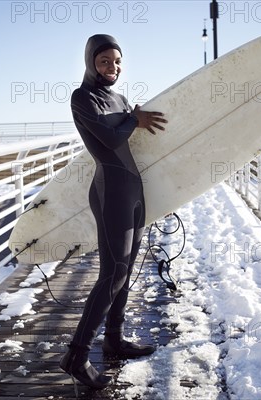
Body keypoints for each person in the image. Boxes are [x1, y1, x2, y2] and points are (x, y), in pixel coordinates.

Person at [59, 34, 168, 389]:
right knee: (113, 273)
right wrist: (134, 121)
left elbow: (126, 130)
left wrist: (133, 119)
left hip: (134, 190)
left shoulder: (119, 98)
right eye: (105, 61)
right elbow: (110, 138)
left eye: (118, 62)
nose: (113, 67)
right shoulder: (82, 97)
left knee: (126, 270)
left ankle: (115, 340)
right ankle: (76, 355)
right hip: (111, 192)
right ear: (91, 61)